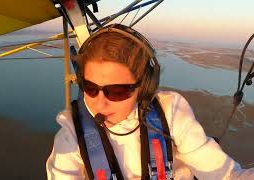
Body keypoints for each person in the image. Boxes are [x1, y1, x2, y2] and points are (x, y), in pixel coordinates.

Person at [46, 24, 254, 179]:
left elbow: (225, 175)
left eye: (117, 91)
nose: (99, 104)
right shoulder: (73, 136)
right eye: (90, 88)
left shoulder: (170, 114)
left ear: (144, 88)